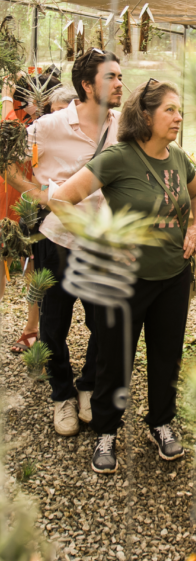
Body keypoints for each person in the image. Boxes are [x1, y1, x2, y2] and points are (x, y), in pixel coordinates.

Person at [46, 80, 196, 474]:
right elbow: (60, 199)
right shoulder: (117, 158)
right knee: (114, 361)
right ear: (146, 116)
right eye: (170, 110)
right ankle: (106, 431)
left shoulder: (178, 158)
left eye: (179, 110)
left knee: (167, 356)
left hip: (173, 277)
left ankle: (161, 423)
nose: (178, 117)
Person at [8, 50, 122, 436]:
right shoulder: (50, 126)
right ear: (88, 86)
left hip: (104, 242)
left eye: (121, 77)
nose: (121, 84)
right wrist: (39, 193)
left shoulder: (124, 126)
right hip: (56, 239)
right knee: (54, 324)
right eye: (112, 78)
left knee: (104, 323)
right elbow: (6, 160)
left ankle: (88, 386)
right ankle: (61, 394)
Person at [5, 71, 61, 354]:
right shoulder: (28, 127)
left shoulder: (56, 126)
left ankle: (36, 328)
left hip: (56, 208)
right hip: (28, 204)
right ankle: (32, 326)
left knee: (42, 270)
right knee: (32, 267)